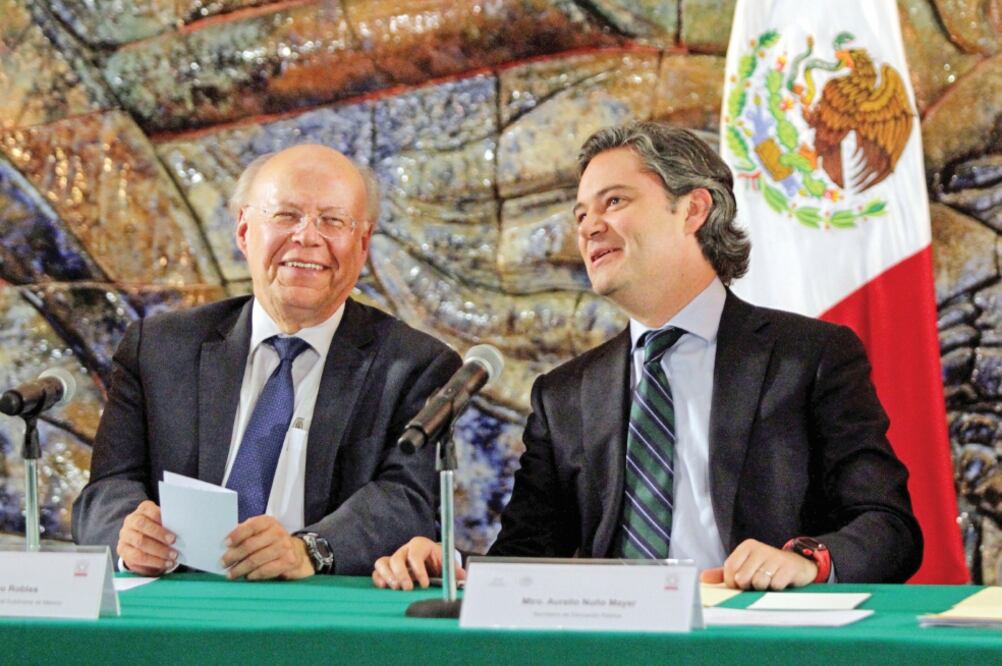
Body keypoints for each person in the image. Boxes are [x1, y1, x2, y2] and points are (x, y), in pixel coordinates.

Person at [372, 122, 922, 591]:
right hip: (616, 642)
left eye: (614, 201)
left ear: (693, 210)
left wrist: (806, 560)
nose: (589, 226)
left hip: (755, 638)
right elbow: (527, 555)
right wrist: (459, 570)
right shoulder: (565, 394)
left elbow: (888, 527)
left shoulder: (809, 358)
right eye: (580, 213)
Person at [72, 144, 462, 580]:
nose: (307, 237)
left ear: (363, 243)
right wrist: (130, 535)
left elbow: (407, 499)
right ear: (243, 230)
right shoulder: (160, 349)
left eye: (332, 220)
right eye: (285, 215)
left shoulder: (416, 366)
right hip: (178, 601)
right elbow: (105, 490)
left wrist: (308, 550)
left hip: (319, 615)